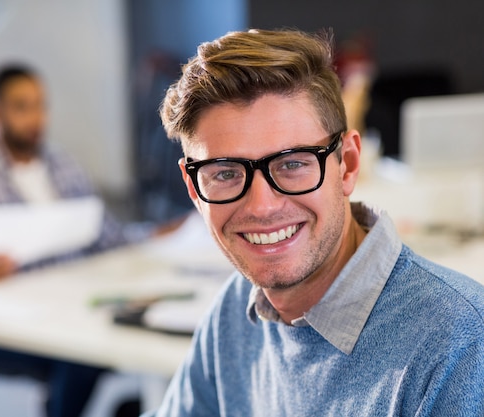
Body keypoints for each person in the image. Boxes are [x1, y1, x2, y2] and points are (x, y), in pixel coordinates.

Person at [145, 29, 484, 416]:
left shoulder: (461, 344)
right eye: (225, 173)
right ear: (193, 186)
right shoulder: (235, 311)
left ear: (349, 165)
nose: (262, 206)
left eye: (292, 164)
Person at [0, 63, 128, 417]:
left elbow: (108, 237)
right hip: (12, 320)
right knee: (84, 350)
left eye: (40, 105)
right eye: (21, 106)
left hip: (72, 301)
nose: (36, 117)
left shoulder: (63, 164)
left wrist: (161, 232)